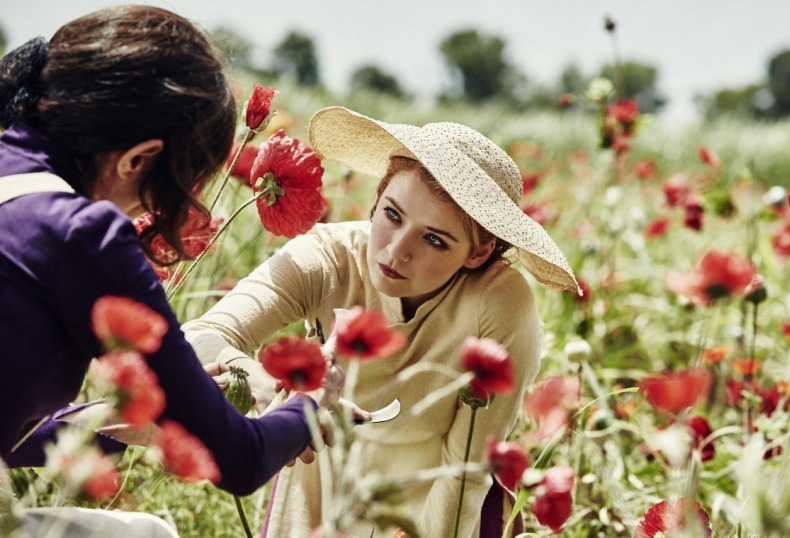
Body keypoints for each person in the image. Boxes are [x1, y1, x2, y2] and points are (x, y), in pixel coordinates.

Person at [0, 6, 336, 535]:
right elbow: (241, 462)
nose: (151, 216)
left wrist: (137, 420)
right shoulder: (77, 234)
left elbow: (10, 438)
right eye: (177, 188)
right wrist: (313, 407)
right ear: (138, 160)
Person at [182, 106, 579, 537]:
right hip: (323, 483)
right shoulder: (328, 257)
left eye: (433, 239)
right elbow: (199, 336)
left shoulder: (501, 306)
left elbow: (464, 471)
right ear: (377, 197)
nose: (396, 252)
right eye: (392, 215)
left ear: (478, 253)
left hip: (439, 507)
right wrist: (261, 384)